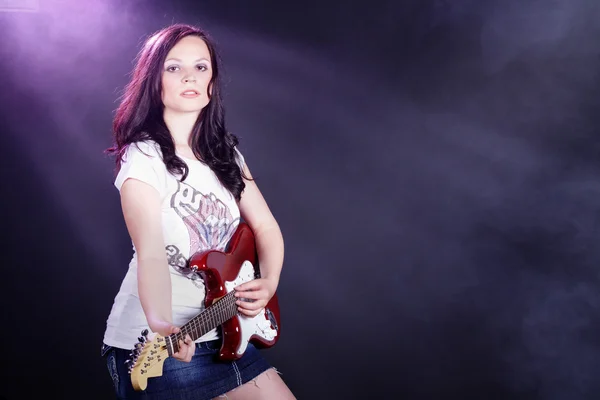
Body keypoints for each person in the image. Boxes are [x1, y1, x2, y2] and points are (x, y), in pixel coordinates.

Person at [100, 23, 295, 400]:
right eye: (174, 67)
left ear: (212, 82)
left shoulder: (226, 156)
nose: (189, 76)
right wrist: (161, 325)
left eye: (200, 67)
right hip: (163, 347)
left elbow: (267, 228)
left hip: (227, 331)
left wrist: (269, 282)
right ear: (153, 80)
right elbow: (151, 253)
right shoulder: (143, 158)